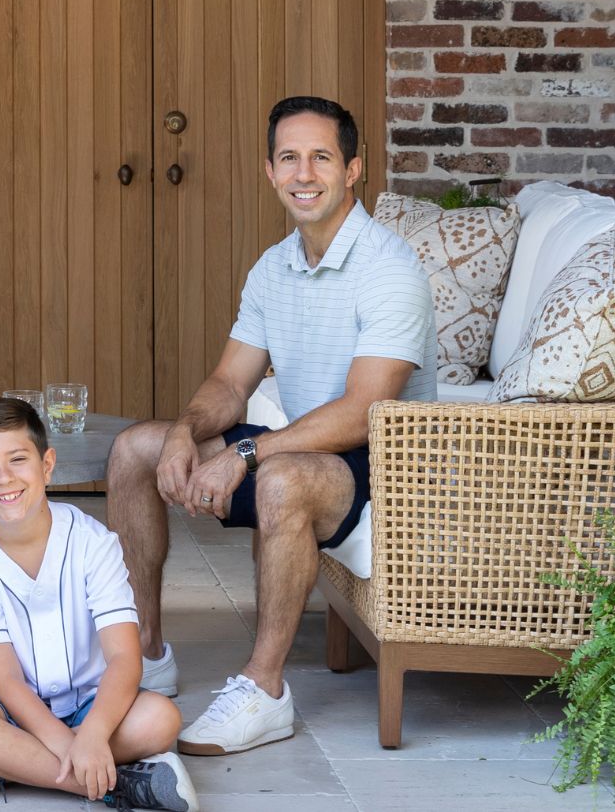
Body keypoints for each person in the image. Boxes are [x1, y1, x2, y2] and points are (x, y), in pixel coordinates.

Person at [107, 96, 436, 757]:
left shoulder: (389, 267)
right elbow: (232, 383)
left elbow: (363, 408)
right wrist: (183, 431)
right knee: (132, 449)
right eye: (290, 158)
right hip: (313, 442)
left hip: (386, 461)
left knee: (280, 478)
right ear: (270, 171)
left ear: (353, 170)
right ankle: (143, 653)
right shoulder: (274, 266)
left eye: (321, 157)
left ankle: (264, 691)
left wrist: (246, 455)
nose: (304, 173)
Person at [0, 398, 197, 811]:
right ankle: (117, 785)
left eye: (18, 459)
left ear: (47, 464)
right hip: (13, 710)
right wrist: (73, 748)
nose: (4, 478)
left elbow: (124, 657)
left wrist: (93, 735)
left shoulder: (94, 543)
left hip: (94, 703)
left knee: (161, 719)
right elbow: (6, 681)